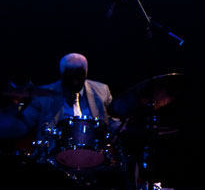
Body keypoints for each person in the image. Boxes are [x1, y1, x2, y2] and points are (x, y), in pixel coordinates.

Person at [2, 53, 124, 188]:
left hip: (95, 160)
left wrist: (122, 128)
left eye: (79, 77)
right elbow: (23, 125)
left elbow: (112, 121)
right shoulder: (44, 96)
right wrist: (9, 113)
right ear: (62, 75)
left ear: (86, 74)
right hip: (55, 164)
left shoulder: (101, 91)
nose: (75, 83)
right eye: (70, 78)